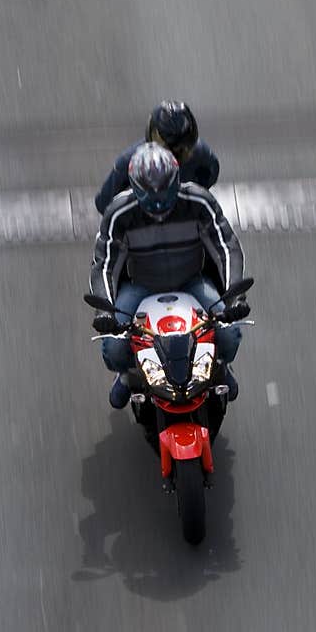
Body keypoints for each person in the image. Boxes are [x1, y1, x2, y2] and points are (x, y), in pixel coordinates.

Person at [89, 142, 247, 409]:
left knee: (229, 334)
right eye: (151, 196)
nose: (159, 204)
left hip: (192, 282)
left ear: (177, 181)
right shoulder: (119, 214)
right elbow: (104, 265)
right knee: (114, 349)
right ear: (135, 188)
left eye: (165, 193)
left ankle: (221, 367)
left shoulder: (200, 202)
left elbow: (226, 248)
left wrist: (235, 297)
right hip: (142, 286)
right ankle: (127, 377)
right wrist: (104, 313)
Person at [94, 101, 219, 215]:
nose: (185, 153)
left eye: (185, 148)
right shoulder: (127, 163)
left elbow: (104, 204)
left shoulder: (203, 157)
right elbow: (104, 203)